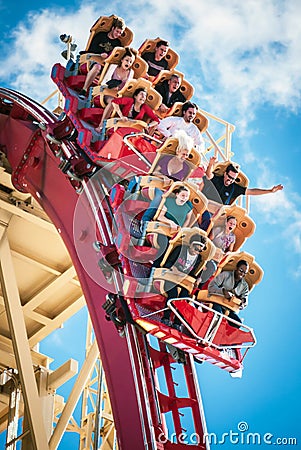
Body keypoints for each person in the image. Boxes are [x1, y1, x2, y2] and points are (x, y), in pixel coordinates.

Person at [199, 158, 284, 230]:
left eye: (233, 179)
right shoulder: (217, 179)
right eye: (229, 177)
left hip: (219, 213)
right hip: (206, 206)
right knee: (207, 218)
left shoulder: (234, 188)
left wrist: (270, 191)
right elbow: (209, 175)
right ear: (225, 173)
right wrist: (210, 164)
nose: (230, 180)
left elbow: (252, 191)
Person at [140, 130, 194, 225]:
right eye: (183, 154)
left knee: (183, 205)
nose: (185, 157)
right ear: (178, 151)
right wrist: (163, 177)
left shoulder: (185, 168)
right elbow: (154, 172)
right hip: (156, 186)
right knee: (160, 197)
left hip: (170, 192)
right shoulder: (167, 159)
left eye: (187, 155)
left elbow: (182, 185)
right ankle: (145, 221)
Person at [160, 234, 207, 330]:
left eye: (199, 250)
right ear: (190, 245)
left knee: (184, 299)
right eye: (195, 248)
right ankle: (166, 317)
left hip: (184, 281)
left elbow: (192, 274)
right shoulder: (180, 249)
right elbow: (169, 262)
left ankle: (177, 323)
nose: (196, 252)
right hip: (171, 277)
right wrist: (174, 269)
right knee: (173, 294)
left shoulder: (198, 258)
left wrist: (197, 279)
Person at [78, 17, 126, 99]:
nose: (118, 34)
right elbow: (91, 49)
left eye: (120, 33)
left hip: (107, 64)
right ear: (113, 28)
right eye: (117, 31)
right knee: (97, 67)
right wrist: (100, 55)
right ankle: (84, 90)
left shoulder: (118, 44)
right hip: (93, 58)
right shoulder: (101, 36)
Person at [94, 48, 136, 132]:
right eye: (127, 60)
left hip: (119, 96)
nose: (128, 63)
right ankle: (101, 125)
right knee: (113, 102)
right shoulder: (114, 67)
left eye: (130, 62)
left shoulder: (131, 73)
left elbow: (127, 88)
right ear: (122, 60)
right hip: (108, 93)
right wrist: (112, 86)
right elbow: (104, 82)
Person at [207, 259, 249, 328]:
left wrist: (242, 301)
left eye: (245, 273)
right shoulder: (225, 275)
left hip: (229, 308)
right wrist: (223, 291)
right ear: (236, 268)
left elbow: (245, 300)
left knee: (237, 323)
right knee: (218, 316)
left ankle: (221, 336)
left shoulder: (244, 286)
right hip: (217, 302)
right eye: (241, 270)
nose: (242, 274)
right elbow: (211, 287)